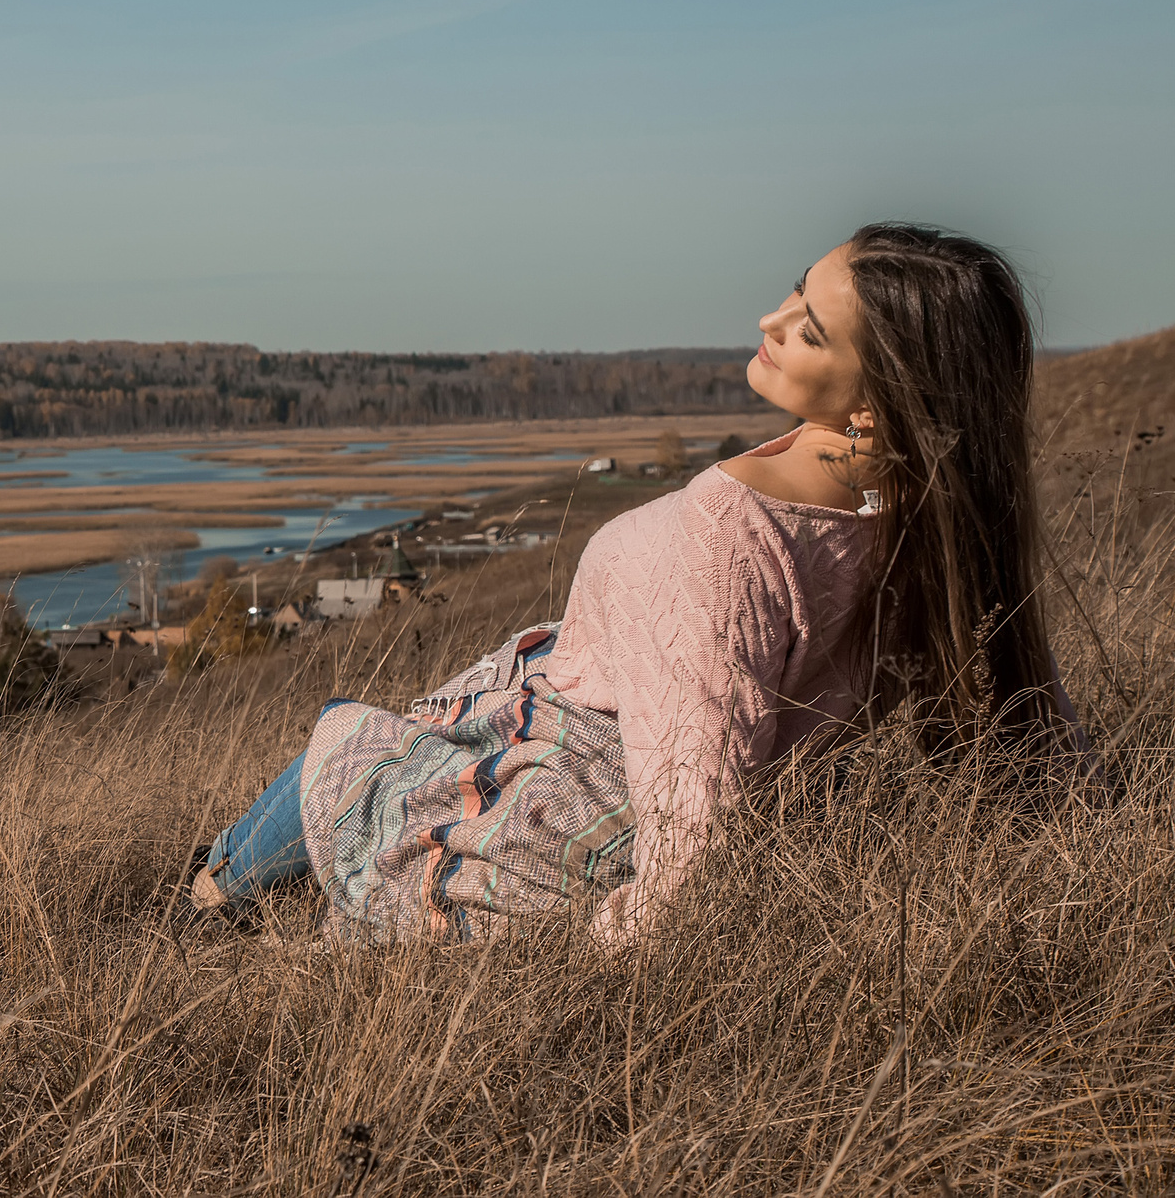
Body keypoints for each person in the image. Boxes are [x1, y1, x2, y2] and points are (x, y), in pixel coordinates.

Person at [189, 222, 1081, 940]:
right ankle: (236, 892)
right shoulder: (928, 509)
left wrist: (628, 938)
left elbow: (694, 808)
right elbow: (1026, 717)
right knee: (396, 740)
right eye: (795, 290)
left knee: (346, 744)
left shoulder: (725, 533)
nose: (771, 321)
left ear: (874, 403)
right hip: (636, 770)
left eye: (808, 329)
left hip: (576, 808)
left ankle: (205, 900)